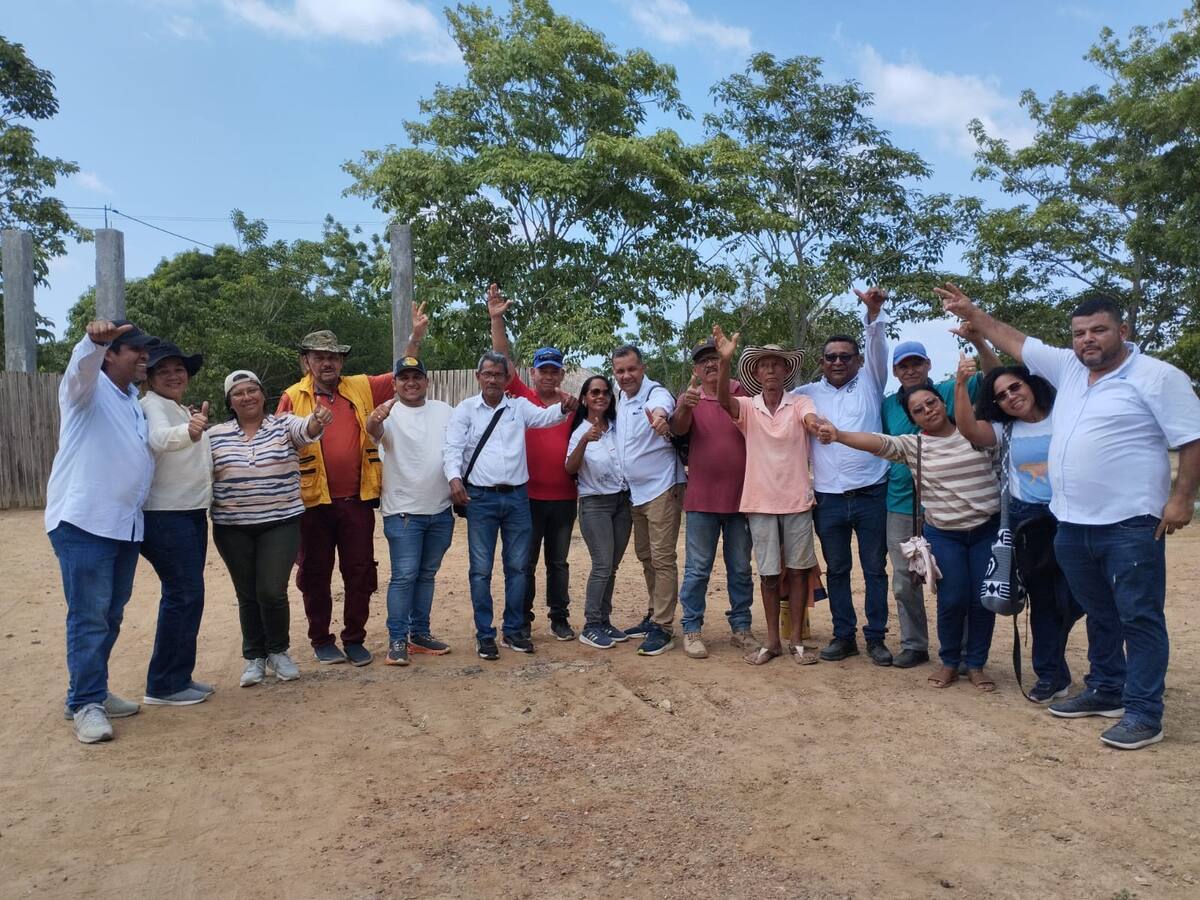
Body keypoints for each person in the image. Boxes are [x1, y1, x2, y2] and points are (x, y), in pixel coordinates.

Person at [940, 284, 1200, 750]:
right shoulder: (1071, 372)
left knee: (1138, 616)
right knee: (1099, 613)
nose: (1087, 340)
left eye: (1098, 330)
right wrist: (975, 315)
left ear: (1122, 330)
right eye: (1079, 333)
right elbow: (1014, 341)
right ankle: (1106, 688)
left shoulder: (1158, 377)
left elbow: (1191, 438)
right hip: (1071, 523)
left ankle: (1144, 712)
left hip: (1131, 524)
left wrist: (1181, 499)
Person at [818, 381, 1002, 692]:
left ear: (942, 403)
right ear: (912, 418)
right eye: (918, 410)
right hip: (945, 534)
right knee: (952, 598)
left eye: (931, 403)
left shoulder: (978, 434)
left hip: (986, 531)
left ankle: (975, 664)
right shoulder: (913, 446)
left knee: (981, 600)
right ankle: (948, 661)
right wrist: (838, 435)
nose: (928, 411)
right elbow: (877, 442)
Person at [276, 309, 428, 667]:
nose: (327, 363)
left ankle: (355, 638)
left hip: (357, 500)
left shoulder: (360, 386)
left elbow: (402, 372)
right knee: (314, 573)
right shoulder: (292, 396)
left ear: (341, 360)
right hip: (312, 502)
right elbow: (281, 441)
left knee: (360, 571)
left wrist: (415, 337)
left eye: (333, 356)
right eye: (319, 357)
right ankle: (321, 639)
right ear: (307, 361)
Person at [953, 356, 1090, 703]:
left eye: (1016, 387)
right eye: (1001, 395)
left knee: (1084, 599)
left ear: (1032, 384)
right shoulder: (1006, 429)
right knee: (1043, 602)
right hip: (1030, 521)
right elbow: (969, 429)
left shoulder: (1066, 413)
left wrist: (981, 341)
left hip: (1075, 514)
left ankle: (1106, 676)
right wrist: (959, 385)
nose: (1011, 396)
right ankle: (1050, 675)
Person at [47, 320, 158, 743]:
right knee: (90, 616)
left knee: (110, 614)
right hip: (84, 522)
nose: (144, 356)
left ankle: (88, 691)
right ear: (111, 354)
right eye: (136, 349)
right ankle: (86, 704)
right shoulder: (87, 392)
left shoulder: (131, 399)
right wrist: (92, 343)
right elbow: (80, 370)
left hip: (123, 525)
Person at [444, 351, 574, 660]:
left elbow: (546, 418)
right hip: (481, 499)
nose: (492, 379)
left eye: (498, 375)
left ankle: (514, 630)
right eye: (487, 373)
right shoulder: (465, 410)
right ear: (478, 377)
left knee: (517, 568)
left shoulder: (519, 407)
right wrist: (453, 479)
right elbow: (452, 448)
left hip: (517, 498)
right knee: (481, 570)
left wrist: (565, 407)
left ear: (507, 380)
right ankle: (484, 634)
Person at [882, 326, 999, 668]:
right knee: (906, 581)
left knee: (958, 585)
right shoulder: (889, 405)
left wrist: (979, 341)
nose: (910, 370)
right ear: (895, 371)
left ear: (928, 365)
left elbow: (994, 377)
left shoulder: (950, 391)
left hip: (954, 508)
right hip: (901, 503)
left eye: (916, 363)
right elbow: (882, 444)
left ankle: (963, 653)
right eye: (903, 365)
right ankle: (915, 644)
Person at [210, 370, 331, 687]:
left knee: (271, 590)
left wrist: (318, 419)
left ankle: (278, 651)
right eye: (239, 393)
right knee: (247, 593)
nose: (247, 397)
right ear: (230, 402)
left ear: (264, 396)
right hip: (231, 527)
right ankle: (254, 658)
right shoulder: (215, 435)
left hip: (280, 522)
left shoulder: (284, 424)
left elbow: (308, 430)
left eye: (252, 390)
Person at [711, 326, 821, 666]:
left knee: (799, 570)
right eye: (764, 365)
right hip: (760, 501)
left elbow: (810, 419)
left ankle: (797, 642)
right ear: (756, 373)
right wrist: (725, 361)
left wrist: (818, 426)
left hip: (796, 500)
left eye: (777, 364)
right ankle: (772, 641)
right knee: (770, 574)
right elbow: (723, 400)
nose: (771, 370)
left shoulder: (800, 402)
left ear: (786, 370)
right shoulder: (747, 407)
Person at [794, 286, 892, 665]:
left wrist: (873, 313)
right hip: (829, 498)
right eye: (831, 357)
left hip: (872, 493)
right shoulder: (805, 394)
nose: (838, 362)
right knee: (837, 569)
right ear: (821, 361)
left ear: (856, 360)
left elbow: (877, 344)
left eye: (845, 356)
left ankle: (877, 638)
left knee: (874, 569)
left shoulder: (871, 380)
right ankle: (843, 635)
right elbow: (767, 403)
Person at [487, 285, 578, 641]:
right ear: (534, 373)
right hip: (528, 499)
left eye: (555, 371)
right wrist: (498, 320)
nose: (549, 376)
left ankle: (559, 617)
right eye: (544, 371)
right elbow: (501, 359)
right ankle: (521, 619)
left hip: (565, 498)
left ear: (561, 373)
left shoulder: (573, 403)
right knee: (524, 563)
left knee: (558, 563)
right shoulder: (520, 397)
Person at [669, 337, 757, 659]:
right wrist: (684, 407)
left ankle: (742, 628)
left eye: (715, 357)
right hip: (701, 500)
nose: (710, 363)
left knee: (740, 568)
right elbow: (678, 430)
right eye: (703, 360)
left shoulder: (744, 394)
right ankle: (691, 628)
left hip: (740, 500)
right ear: (695, 368)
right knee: (697, 569)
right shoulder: (689, 397)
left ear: (726, 361)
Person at [138, 340, 215, 706]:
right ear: (149, 377)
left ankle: (177, 676)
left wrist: (191, 427)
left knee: (187, 595)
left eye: (178, 368)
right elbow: (156, 440)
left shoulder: (176, 408)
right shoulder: (152, 407)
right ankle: (164, 685)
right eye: (163, 370)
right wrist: (189, 432)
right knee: (183, 595)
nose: (173, 374)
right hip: (166, 515)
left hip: (187, 512)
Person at [365, 356, 455, 667]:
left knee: (427, 575)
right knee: (404, 576)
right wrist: (375, 419)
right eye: (404, 377)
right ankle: (397, 640)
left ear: (426, 381)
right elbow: (372, 430)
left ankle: (419, 634)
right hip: (403, 513)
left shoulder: (444, 411)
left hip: (440, 510)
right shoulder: (388, 414)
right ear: (395, 383)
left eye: (417, 376)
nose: (411, 382)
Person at [612, 344, 686, 656]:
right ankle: (654, 612)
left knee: (662, 557)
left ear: (642, 368)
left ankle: (664, 627)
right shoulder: (620, 397)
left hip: (662, 488)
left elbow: (662, 407)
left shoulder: (656, 393)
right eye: (620, 371)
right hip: (635, 493)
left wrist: (659, 419)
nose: (626, 376)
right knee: (646, 556)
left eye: (631, 369)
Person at [565, 375, 634, 649]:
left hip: (622, 502)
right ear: (584, 398)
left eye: (605, 392)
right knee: (602, 564)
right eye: (594, 392)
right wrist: (584, 441)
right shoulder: (579, 430)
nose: (601, 396)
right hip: (595, 503)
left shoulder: (618, 427)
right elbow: (570, 468)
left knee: (612, 566)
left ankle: (604, 620)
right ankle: (591, 624)